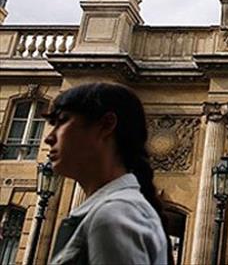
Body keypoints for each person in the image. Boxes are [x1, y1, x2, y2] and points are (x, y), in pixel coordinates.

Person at [44, 82, 170, 265]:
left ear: (106, 125)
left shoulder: (112, 216)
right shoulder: (116, 211)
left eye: (62, 121)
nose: (49, 138)